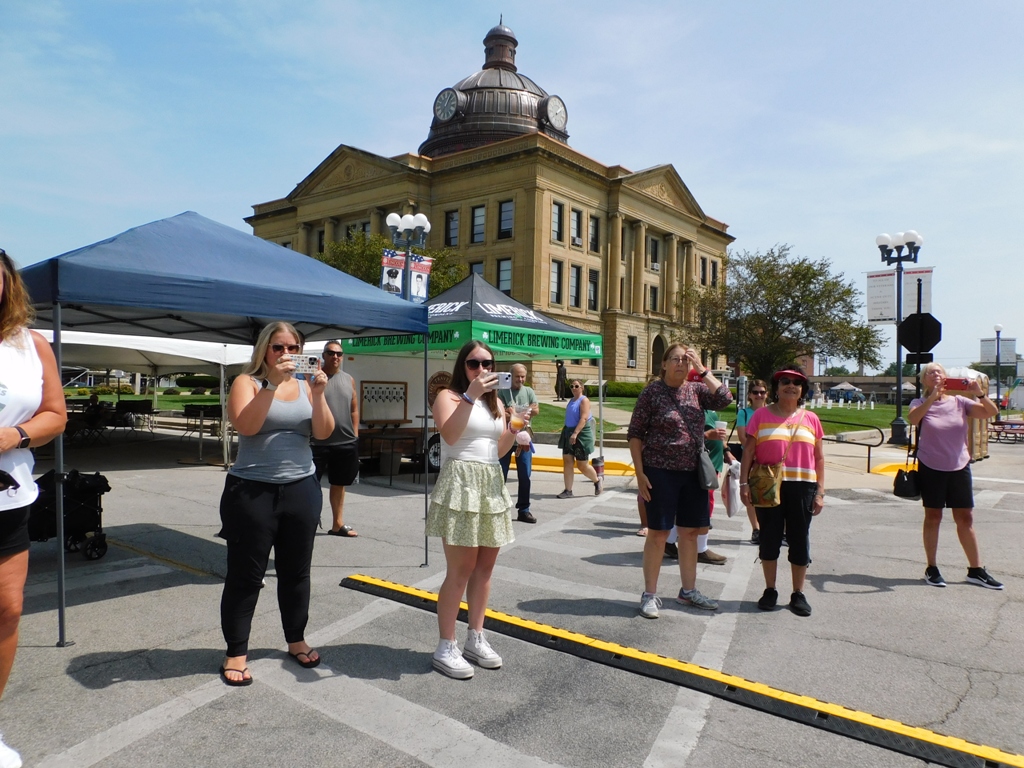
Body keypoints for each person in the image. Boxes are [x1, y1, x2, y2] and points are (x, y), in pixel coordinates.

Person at [218, 321, 334, 686]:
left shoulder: (306, 385)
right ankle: (236, 651)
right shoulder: (247, 382)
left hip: (301, 489)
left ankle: (296, 638)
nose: (286, 354)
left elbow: (324, 432)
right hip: (252, 492)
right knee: (246, 576)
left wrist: (319, 395)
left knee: (296, 573)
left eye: (293, 348)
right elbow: (246, 426)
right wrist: (270, 384)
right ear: (264, 351)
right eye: (278, 347)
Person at [0, 248, 68, 767]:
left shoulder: (31, 344)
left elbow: (55, 414)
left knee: (7, 609)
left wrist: (14, 436)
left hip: (8, 497)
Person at [426, 341, 517, 679]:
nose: (481, 369)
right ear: (462, 366)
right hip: (461, 481)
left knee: (484, 569)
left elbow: (498, 450)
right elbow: (450, 436)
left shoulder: (497, 402)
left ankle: (475, 637)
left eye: (487, 363)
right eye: (473, 363)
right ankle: (445, 645)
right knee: (461, 568)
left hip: (490, 481)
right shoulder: (448, 396)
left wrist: (514, 427)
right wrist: (471, 395)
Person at [628, 345, 732, 617]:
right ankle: (649, 595)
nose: (681, 364)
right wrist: (640, 473)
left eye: (685, 361)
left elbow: (725, 398)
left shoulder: (696, 390)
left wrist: (702, 368)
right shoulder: (652, 393)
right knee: (659, 533)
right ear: (663, 364)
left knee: (689, 533)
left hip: (692, 474)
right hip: (659, 471)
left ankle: (688, 591)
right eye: (675, 359)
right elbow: (635, 434)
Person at [907, 363, 1002, 589]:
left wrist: (980, 393)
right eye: (930, 372)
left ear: (946, 377)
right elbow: (913, 419)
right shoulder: (919, 402)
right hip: (931, 466)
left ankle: (976, 570)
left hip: (959, 465)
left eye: (939, 371)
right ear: (924, 380)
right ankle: (932, 568)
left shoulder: (960, 402)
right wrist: (932, 398)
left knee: (965, 518)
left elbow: (990, 412)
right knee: (933, 516)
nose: (935, 374)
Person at [739, 369, 825, 617]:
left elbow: (819, 458)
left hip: (803, 486)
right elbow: (748, 452)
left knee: (799, 539)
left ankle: (798, 593)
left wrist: (820, 491)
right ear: (776, 388)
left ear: (802, 390)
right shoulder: (761, 416)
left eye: (797, 382)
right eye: (785, 381)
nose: (791, 385)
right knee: (769, 538)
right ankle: (770, 590)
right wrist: (744, 484)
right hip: (768, 485)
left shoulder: (811, 419)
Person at [311, 341, 360, 538]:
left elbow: (354, 408)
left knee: (339, 484)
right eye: (331, 353)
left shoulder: (349, 379)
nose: (335, 357)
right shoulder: (314, 378)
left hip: (345, 442)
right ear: (323, 355)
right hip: (317, 443)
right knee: (310, 485)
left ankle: (337, 524)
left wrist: (355, 434)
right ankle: (307, 523)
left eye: (339, 353)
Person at [497, 364, 539, 524]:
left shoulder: (528, 391)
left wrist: (514, 413)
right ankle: (498, 509)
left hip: (523, 439)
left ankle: (524, 510)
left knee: (525, 475)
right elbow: (500, 413)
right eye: (517, 377)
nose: (520, 379)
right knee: (501, 475)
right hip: (506, 438)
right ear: (511, 376)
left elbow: (536, 410)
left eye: (523, 376)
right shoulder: (502, 392)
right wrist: (524, 412)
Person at [735, 379, 768, 544]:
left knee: (770, 493)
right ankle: (756, 529)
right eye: (755, 392)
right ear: (749, 395)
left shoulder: (771, 411)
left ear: (767, 394)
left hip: (769, 459)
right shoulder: (744, 413)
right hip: (751, 459)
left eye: (762, 392)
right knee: (751, 496)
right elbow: (742, 437)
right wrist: (753, 454)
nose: (759, 395)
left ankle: (771, 529)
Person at [556, 379, 601, 498]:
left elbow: (584, 418)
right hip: (568, 433)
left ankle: (597, 481)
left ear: (582, 388)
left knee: (582, 465)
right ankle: (568, 490)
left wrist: (575, 433)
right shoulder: (571, 400)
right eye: (572, 386)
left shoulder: (584, 400)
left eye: (576, 386)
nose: (574, 388)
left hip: (581, 434)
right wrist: (569, 433)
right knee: (567, 461)